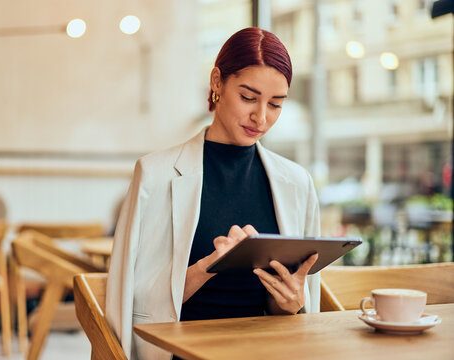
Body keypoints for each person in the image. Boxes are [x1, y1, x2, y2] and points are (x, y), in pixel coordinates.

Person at [107, 27, 321, 360]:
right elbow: (129, 298)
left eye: (276, 104)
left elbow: (296, 314)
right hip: (180, 352)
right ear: (217, 82)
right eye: (248, 97)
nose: (261, 117)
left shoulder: (297, 182)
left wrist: (292, 303)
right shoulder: (154, 175)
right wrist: (207, 267)